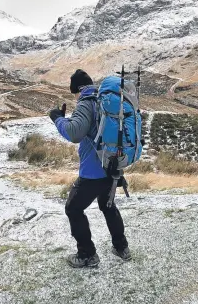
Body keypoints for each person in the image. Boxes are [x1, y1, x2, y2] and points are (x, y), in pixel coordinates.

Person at [49, 69, 131, 268]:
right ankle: (122, 248)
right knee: (108, 206)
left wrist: (57, 118)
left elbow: (75, 133)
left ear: (78, 90)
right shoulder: (105, 102)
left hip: (93, 173)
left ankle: (87, 254)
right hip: (112, 168)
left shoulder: (86, 103)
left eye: (73, 94)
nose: (75, 98)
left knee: (73, 208)